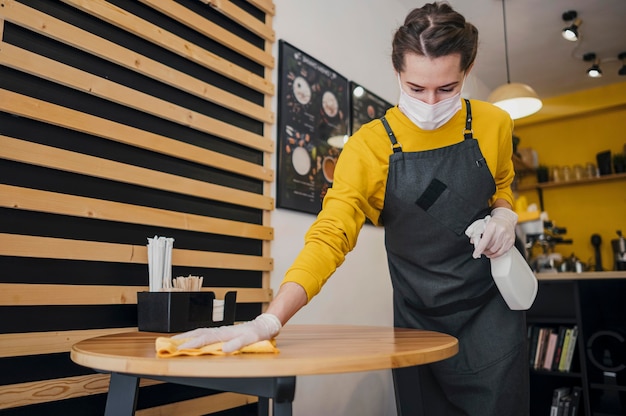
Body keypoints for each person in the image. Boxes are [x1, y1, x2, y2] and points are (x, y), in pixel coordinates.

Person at [174, 2, 529, 414]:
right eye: (416, 88)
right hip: (418, 318)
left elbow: (501, 183)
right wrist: (268, 321)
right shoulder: (369, 145)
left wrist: (505, 214)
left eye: (446, 88)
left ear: (466, 72)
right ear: (398, 73)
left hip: (491, 311)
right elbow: (331, 234)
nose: (431, 102)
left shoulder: (495, 123)